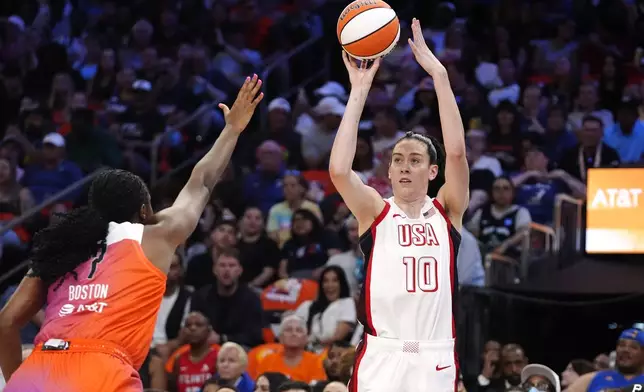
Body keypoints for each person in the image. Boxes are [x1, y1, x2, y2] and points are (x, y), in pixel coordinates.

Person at [0, 75, 264, 391]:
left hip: (39, 369)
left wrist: (18, 381)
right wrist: (231, 130)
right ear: (142, 211)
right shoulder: (155, 236)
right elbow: (201, 182)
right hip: (102, 370)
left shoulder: (58, 247)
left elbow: (6, 322)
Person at [328, 18, 469, 392]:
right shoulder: (376, 211)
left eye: (415, 159)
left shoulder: (448, 209)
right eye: (397, 159)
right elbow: (339, 170)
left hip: (435, 354)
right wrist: (359, 90)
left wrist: (439, 75)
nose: (404, 166)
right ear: (388, 170)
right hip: (382, 353)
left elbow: (456, 152)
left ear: (433, 170)